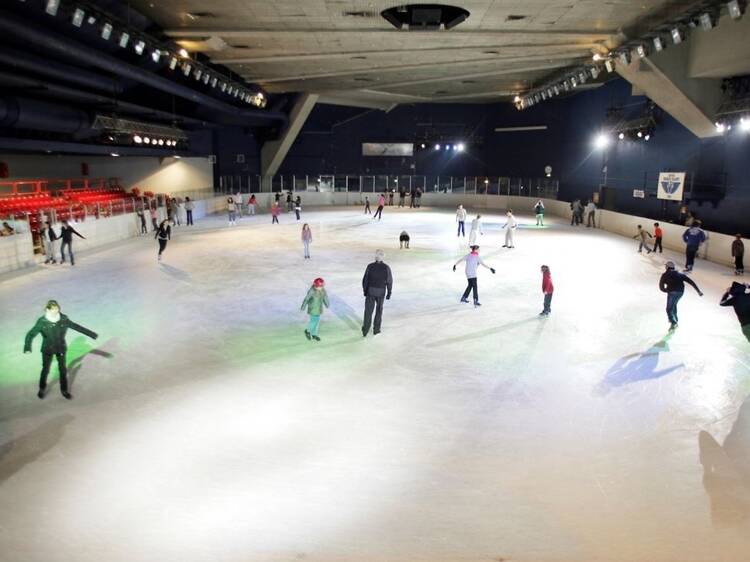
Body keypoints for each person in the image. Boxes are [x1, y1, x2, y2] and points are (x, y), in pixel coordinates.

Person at [24, 300, 98, 400]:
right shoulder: (42, 322)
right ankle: (42, 388)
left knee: (62, 370)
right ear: (47, 309)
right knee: (45, 370)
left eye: (57, 309)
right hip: (47, 349)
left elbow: (76, 327)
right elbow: (31, 334)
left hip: (60, 348)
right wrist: (27, 347)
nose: (56, 312)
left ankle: (64, 390)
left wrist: (92, 334)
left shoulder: (63, 319)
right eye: (54, 310)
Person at [659, 261, 703, 330]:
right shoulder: (679, 274)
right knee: (674, 305)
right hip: (680, 292)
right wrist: (698, 291)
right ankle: (675, 318)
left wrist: (667, 290)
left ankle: (673, 322)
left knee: (669, 309)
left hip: (672, 292)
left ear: (667, 267)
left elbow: (661, 287)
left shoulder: (665, 275)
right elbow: (691, 282)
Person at [361, 249, 393, 337]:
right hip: (381, 292)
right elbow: (389, 281)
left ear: (375, 256)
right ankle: (376, 330)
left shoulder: (370, 266)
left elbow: (365, 280)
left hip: (370, 292)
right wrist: (389, 292)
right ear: (382, 257)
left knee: (368, 311)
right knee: (378, 311)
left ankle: (365, 329)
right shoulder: (386, 268)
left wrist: (365, 290)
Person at [301, 278, 329, 342]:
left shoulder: (323, 290)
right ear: (316, 285)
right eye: (320, 286)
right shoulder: (312, 291)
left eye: (322, 286)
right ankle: (308, 331)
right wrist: (303, 307)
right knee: (313, 321)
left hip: (319, 308)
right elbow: (306, 299)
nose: (321, 287)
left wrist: (327, 304)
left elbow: (325, 297)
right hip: (312, 308)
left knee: (317, 322)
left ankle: (314, 334)